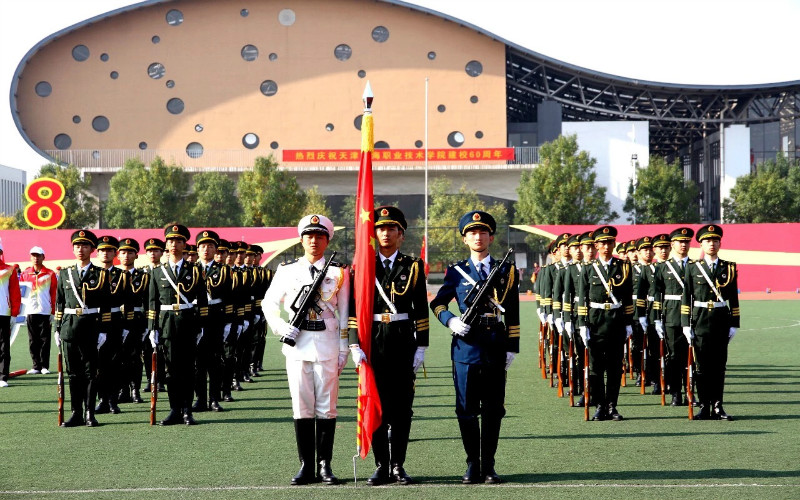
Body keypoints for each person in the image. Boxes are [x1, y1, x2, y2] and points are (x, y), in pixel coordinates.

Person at [430, 210, 520, 484]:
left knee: (493, 409)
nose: (477, 237)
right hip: (466, 347)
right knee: (466, 409)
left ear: (490, 237)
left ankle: (489, 465)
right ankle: (472, 463)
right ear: (465, 239)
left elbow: (513, 310)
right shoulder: (456, 271)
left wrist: (512, 346)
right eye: (472, 233)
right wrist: (450, 321)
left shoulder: (506, 270)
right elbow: (438, 303)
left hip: (494, 344)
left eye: (482, 232)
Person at [262, 214, 349, 486]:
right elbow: (268, 303)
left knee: (327, 408)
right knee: (302, 407)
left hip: (328, 344)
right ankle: (306, 465)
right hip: (297, 344)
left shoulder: (339, 272)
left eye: (320, 236)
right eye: (309, 236)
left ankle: (325, 465)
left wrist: (345, 348)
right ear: (301, 240)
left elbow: (345, 313)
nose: (314, 241)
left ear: (327, 240)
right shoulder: (287, 270)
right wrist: (279, 326)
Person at [348, 206, 429, 486]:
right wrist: (353, 343)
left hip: (403, 339)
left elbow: (421, 310)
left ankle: (398, 465)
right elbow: (352, 308)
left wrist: (422, 347)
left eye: (391, 228)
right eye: (380, 228)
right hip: (373, 341)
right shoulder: (362, 266)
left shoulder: (413, 266)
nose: (385, 233)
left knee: (402, 408)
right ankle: (382, 465)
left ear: (401, 234)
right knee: (377, 404)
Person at [147, 224, 208, 426]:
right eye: (171, 241)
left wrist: (201, 326)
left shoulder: (195, 270)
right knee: (171, 370)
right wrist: (152, 328)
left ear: (184, 244)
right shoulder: (157, 272)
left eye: (179, 241)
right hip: (166, 325)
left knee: (188, 369)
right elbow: (152, 302)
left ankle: (187, 410)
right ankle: (174, 409)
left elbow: (202, 301)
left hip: (189, 323)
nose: (174, 244)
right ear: (166, 244)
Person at [681, 224, 739, 420]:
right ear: (701, 245)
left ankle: (717, 406)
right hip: (700, 320)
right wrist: (685, 324)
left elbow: (734, 298)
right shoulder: (692, 267)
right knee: (701, 367)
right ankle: (704, 406)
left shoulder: (728, 267)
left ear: (720, 243)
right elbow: (686, 296)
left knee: (719, 366)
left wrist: (734, 323)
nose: (712, 244)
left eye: (715, 241)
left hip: (721, 320)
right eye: (707, 241)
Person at [577, 225, 634, 421]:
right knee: (595, 368)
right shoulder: (588, 269)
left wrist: (628, 323)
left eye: (610, 242)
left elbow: (627, 298)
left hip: (616, 322)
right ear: (596, 245)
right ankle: (600, 405)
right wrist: (582, 324)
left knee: (615, 367)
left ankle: (612, 406)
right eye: (602, 243)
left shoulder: (624, 267)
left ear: (614, 244)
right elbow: (582, 298)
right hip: (595, 321)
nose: (606, 246)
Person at [55, 230, 111, 426]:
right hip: (69, 328)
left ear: (92, 250)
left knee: (90, 372)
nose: (80, 249)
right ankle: (76, 412)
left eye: (85, 246)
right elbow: (60, 303)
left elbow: (106, 305)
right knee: (73, 373)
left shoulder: (101, 274)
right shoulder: (64, 273)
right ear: (73, 249)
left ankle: (89, 412)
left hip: (91, 327)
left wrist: (103, 330)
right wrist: (57, 328)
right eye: (77, 246)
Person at [652, 228, 692, 406]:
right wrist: (657, 319)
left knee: (692, 357)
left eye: (686, 242)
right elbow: (656, 295)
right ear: (673, 245)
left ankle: (691, 392)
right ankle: (676, 392)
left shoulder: (696, 265)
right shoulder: (662, 267)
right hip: (672, 315)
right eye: (680, 242)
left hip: (693, 315)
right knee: (675, 356)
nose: (683, 245)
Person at [193, 230, 231, 412]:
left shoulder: (223, 270)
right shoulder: (190, 269)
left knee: (215, 360)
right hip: (195, 317)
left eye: (210, 246)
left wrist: (229, 323)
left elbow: (230, 297)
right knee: (197, 362)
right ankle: (200, 399)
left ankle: (214, 398)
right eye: (202, 246)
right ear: (197, 249)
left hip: (215, 317)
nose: (206, 249)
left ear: (216, 249)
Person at [94, 236, 130, 415]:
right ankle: (102, 400)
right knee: (99, 364)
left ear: (115, 253)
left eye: (109, 250)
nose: (106, 253)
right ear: (97, 252)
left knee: (115, 364)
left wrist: (127, 326)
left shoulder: (122, 275)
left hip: (116, 321)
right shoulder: (91, 274)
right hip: (95, 321)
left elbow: (129, 301)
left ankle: (113, 400)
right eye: (102, 250)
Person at [117, 238, 148, 404]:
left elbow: (149, 301)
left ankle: (135, 389)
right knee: (119, 357)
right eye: (123, 252)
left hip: (136, 321)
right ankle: (123, 390)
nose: (126, 255)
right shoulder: (111, 275)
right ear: (118, 255)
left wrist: (149, 326)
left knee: (135, 357)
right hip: (116, 320)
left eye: (130, 252)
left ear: (136, 255)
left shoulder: (143, 276)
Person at [20, 246, 57, 375]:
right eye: (33, 256)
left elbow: (54, 293)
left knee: (45, 340)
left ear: (43, 257)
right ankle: (36, 366)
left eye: (38, 255)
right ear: (30, 257)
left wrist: (53, 311)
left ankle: (44, 366)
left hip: (45, 311)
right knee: (32, 340)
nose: (36, 258)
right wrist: (21, 311)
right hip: (30, 310)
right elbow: (22, 294)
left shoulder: (50, 273)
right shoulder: (25, 274)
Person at [141, 238, 166, 394]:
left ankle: (161, 380)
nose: (152, 253)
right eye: (149, 251)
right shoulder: (142, 272)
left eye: (155, 250)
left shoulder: (165, 271)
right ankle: (151, 379)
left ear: (161, 253)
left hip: (162, 316)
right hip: (145, 316)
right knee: (146, 351)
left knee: (161, 349)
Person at [0, 238, 22, 388]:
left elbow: (14, 293)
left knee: (3, 346)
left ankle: (2, 376)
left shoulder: (9, 270)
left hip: (3, 312)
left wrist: (14, 313)